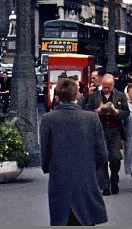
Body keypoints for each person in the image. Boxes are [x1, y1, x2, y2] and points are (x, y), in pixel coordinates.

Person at [40, 77, 108, 226]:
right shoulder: (91, 118)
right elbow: (102, 153)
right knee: (86, 219)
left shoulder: (48, 119)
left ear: (57, 97)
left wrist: (48, 167)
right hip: (85, 177)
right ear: (77, 95)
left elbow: (45, 151)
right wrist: (89, 166)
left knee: (63, 220)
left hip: (60, 178)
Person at [85, 74, 129, 196]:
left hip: (115, 130)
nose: (106, 89)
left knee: (115, 157)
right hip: (100, 130)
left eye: (109, 87)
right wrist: (96, 111)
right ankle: (105, 186)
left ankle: (114, 179)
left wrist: (117, 112)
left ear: (113, 85)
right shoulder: (94, 96)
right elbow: (86, 110)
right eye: (104, 87)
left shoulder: (120, 96)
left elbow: (127, 113)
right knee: (102, 157)